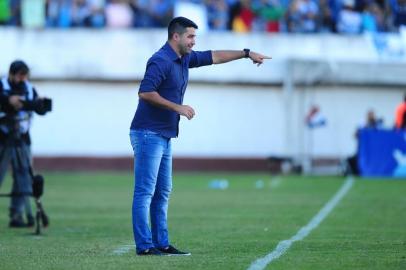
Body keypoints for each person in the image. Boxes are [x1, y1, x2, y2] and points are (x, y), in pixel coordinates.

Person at [129, 16, 271, 256]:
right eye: (191, 36)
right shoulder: (160, 60)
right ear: (176, 36)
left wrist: (246, 53)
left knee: (163, 192)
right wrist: (178, 107)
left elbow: (214, 56)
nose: (194, 41)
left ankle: (161, 243)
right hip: (147, 133)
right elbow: (145, 92)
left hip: (163, 135)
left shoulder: (184, 58)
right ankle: (144, 246)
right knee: (145, 192)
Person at [0, 60, 49, 227]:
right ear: (11, 74)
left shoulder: (29, 88)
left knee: (23, 176)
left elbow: (40, 109)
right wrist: (8, 101)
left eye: (25, 75)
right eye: (20, 75)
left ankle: (17, 215)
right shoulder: (2, 86)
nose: (22, 79)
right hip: (3, 135)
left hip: (22, 136)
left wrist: (39, 104)